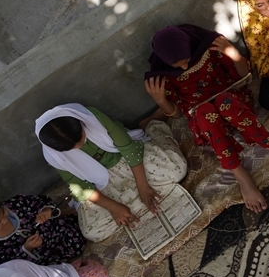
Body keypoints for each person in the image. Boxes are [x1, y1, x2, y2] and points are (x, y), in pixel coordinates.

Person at [143, 24, 269, 212]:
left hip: (235, 105)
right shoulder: (163, 77)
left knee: (223, 100)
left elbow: (245, 76)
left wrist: (232, 53)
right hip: (206, 122)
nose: (185, 66)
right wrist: (161, 101)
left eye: (186, 60)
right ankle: (239, 172)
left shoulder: (211, 49)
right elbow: (177, 114)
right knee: (203, 112)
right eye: (177, 66)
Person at [35, 103, 187, 243]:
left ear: (80, 123)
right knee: (92, 231)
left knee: (177, 169)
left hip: (127, 159)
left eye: (80, 138)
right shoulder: (53, 154)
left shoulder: (92, 117)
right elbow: (80, 186)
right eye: (72, 147)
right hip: (101, 181)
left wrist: (142, 186)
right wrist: (113, 207)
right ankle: (135, 197)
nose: (80, 145)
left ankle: (152, 126)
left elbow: (129, 149)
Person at [0, 193, 84, 267]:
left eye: (4, 213)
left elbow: (40, 201)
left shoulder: (15, 204)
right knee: (56, 272)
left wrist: (45, 210)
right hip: (42, 259)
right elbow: (10, 267)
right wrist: (27, 248)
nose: (5, 221)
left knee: (78, 243)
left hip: (57, 233)